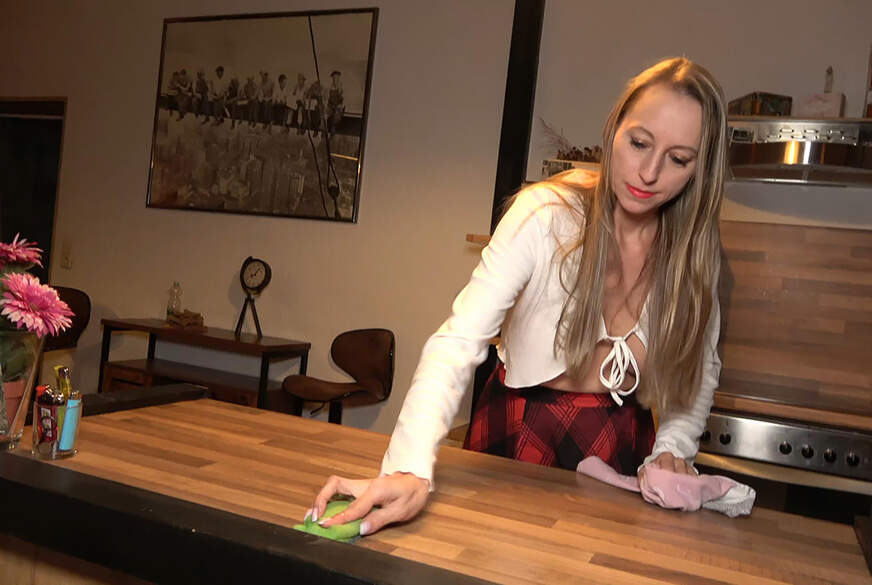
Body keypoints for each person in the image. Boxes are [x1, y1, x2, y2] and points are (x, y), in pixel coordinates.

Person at [309, 57, 728, 536]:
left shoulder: (693, 254)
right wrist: (408, 465)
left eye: (678, 159)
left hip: (624, 445)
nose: (649, 172)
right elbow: (459, 340)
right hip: (521, 434)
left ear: (700, 169)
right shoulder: (546, 215)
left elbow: (699, 368)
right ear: (614, 130)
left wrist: (672, 448)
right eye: (639, 143)